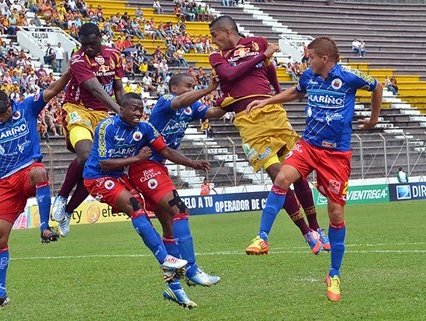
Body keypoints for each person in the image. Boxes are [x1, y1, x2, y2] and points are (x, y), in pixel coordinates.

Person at [245, 36, 383, 302]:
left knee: (335, 212)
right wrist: (266, 102)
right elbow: (296, 92)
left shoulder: (349, 77)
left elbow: (376, 87)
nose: (306, 60)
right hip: (309, 145)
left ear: (324, 58)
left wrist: (374, 119)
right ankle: (262, 237)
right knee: (283, 176)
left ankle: (334, 273)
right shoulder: (309, 76)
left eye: (310, 56)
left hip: (336, 154)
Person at [208, 16, 327, 255]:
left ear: (227, 32)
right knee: (278, 175)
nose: (214, 41)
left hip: (272, 113)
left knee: (298, 172)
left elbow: (270, 70)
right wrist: (262, 57)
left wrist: (277, 94)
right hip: (248, 122)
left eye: (215, 35)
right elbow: (230, 77)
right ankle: (305, 232)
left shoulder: (258, 42)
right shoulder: (217, 57)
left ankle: (317, 229)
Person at [83, 93, 211, 309]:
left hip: (119, 176)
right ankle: (165, 259)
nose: (138, 112)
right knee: (135, 208)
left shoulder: (145, 128)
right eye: (133, 108)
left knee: (146, 212)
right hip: (97, 177)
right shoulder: (106, 127)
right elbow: (104, 163)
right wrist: (137, 159)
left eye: (140, 108)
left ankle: (175, 288)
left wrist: (192, 163)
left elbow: (166, 150)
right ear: (121, 109)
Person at [0, 74, 69, 314]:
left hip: (28, 169)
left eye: (4, 112)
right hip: (7, 182)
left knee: (40, 172)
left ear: (10, 103)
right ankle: (0, 293)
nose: (1, 117)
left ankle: (44, 227)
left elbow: (52, 89)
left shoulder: (28, 106)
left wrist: (72, 70)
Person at [127, 74, 224, 306]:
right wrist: (207, 89)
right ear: (174, 88)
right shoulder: (165, 102)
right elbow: (180, 102)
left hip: (158, 166)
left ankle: (175, 287)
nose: (192, 89)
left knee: (169, 226)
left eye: (193, 86)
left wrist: (232, 99)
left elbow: (213, 113)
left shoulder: (191, 108)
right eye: (188, 86)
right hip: (143, 165)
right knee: (179, 210)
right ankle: (191, 268)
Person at [51, 23, 125, 238]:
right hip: (77, 109)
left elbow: (118, 88)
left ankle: (67, 211)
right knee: (85, 155)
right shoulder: (77, 59)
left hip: (103, 115)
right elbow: (95, 89)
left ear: (100, 38)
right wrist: (120, 111)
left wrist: (125, 113)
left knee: (94, 169)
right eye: (84, 45)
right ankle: (62, 196)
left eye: (92, 44)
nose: (88, 49)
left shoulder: (115, 56)